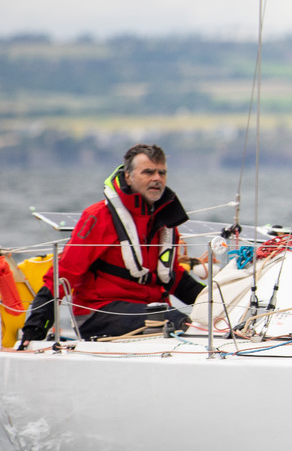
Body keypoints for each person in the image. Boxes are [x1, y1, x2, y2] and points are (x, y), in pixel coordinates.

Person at [20, 143, 206, 343]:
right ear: (128, 176)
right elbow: (64, 273)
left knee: (204, 325)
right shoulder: (99, 217)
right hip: (99, 313)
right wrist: (35, 329)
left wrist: (215, 304)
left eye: (162, 173)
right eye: (148, 172)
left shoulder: (165, 221)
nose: (157, 178)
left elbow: (173, 277)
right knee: (178, 322)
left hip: (150, 311)